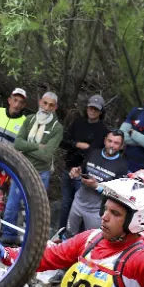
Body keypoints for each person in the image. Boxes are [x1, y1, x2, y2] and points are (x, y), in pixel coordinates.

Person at [3, 92, 63, 239]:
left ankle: (29, 241)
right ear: (40, 102)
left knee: (35, 210)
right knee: (11, 206)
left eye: (51, 105)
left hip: (40, 173)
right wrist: (37, 146)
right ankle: (8, 237)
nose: (46, 107)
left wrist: (26, 148)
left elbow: (46, 155)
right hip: (22, 169)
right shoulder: (30, 119)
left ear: (55, 108)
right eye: (45, 103)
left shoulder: (57, 128)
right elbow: (17, 144)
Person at [59, 95, 109, 232]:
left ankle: (79, 238)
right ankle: (60, 233)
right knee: (65, 203)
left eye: (96, 109)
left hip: (85, 174)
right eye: (90, 108)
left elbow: (95, 152)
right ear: (87, 108)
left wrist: (83, 149)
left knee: (81, 207)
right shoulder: (78, 123)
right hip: (69, 167)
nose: (92, 111)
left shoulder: (103, 131)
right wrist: (77, 144)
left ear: (101, 112)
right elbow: (63, 142)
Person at [64, 129, 126, 236]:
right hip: (78, 202)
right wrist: (76, 173)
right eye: (110, 141)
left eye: (116, 143)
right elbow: (83, 171)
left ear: (121, 146)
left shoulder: (122, 166)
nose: (112, 145)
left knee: (91, 239)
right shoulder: (93, 153)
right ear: (105, 141)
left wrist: (96, 186)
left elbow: (117, 194)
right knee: (69, 233)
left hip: (97, 210)